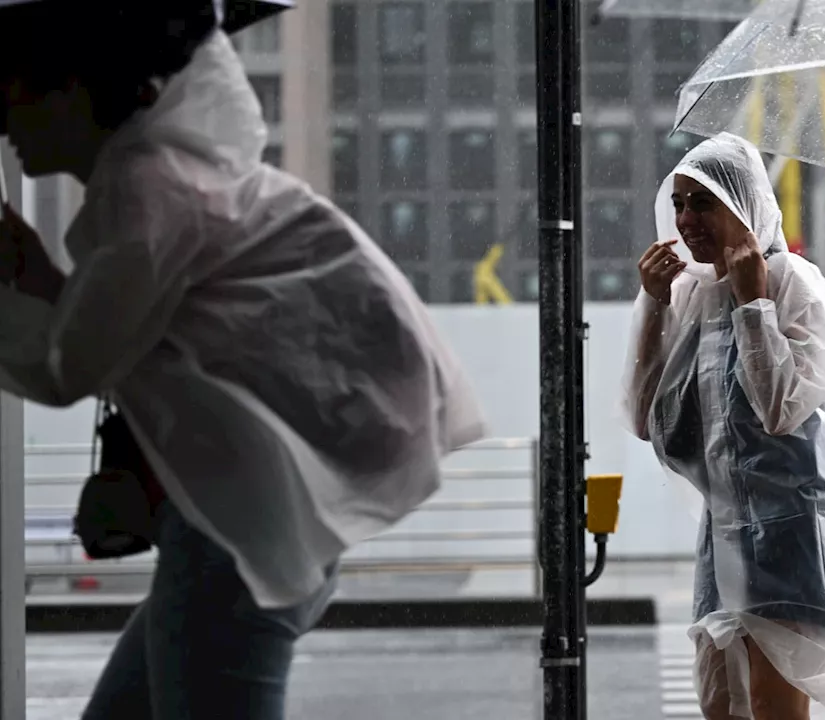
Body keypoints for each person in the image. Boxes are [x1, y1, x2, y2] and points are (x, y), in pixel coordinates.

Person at [0, 3, 484, 718]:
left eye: (12, 90)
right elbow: (144, 324)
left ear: (72, 88)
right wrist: (42, 279)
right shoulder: (177, 175)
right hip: (245, 526)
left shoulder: (149, 188)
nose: (4, 122)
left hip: (233, 539)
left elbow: (71, 364)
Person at [621, 133, 825, 720]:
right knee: (721, 705)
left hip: (794, 535)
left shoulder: (796, 285)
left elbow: (781, 408)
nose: (686, 219)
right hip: (724, 532)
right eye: (678, 204)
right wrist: (655, 305)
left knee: (777, 710)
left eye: (703, 203)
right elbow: (650, 420)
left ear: (744, 205)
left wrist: (755, 305)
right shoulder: (695, 296)